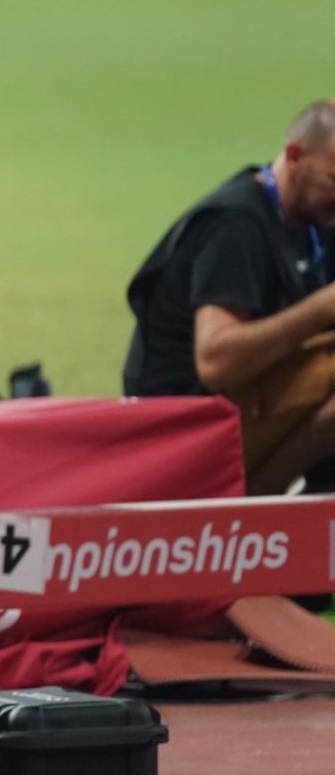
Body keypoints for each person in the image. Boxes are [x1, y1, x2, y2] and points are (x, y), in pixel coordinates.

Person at [124, 101, 335, 496]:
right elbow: (216, 360)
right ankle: (251, 502)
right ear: (294, 157)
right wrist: (321, 307)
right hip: (181, 430)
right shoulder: (236, 225)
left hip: (240, 407)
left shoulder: (314, 219)